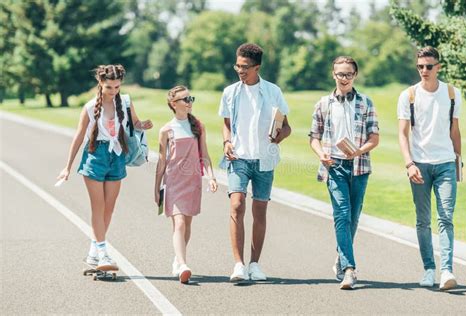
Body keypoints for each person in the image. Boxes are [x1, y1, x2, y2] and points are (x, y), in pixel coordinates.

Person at [57, 64, 153, 269]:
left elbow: (134, 123)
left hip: (117, 156)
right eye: (109, 87)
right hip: (95, 156)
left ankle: (94, 250)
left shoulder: (125, 102)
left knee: (109, 209)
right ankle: (103, 253)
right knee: (98, 207)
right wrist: (67, 167)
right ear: (100, 83)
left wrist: (143, 124)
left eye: (117, 87)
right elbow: (79, 136)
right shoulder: (90, 107)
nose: (114, 91)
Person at [218, 43, 291, 282]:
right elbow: (226, 124)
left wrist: (278, 136)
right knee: (237, 205)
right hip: (238, 157)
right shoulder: (230, 92)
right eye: (237, 65)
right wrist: (227, 142)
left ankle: (255, 264)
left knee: (260, 211)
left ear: (257, 67)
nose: (240, 70)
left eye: (245, 67)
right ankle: (238, 265)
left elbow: (286, 127)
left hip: (264, 159)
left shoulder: (273, 92)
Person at [309, 56, 379, 290]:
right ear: (333, 75)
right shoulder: (323, 104)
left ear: (355, 76)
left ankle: (341, 256)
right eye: (340, 74)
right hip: (334, 166)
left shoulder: (366, 103)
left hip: (359, 167)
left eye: (349, 74)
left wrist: (359, 150)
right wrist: (321, 154)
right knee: (342, 215)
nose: (344, 78)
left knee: (353, 218)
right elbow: (314, 137)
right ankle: (350, 269)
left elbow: (374, 137)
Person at [397, 46, 462, 290]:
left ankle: (446, 270)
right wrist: (409, 163)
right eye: (420, 66)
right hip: (419, 165)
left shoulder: (452, 93)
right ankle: (429, 269)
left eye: (429, 66)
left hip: (445, 163)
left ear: (439, 67)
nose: (424, 71)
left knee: (446, 217)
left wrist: (458, 161)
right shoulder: (408, 95)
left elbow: (455, 130)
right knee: (423, 220)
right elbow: (403, 134)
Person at [154, 85, 218, 284]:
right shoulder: (165, 130)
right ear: (174, 104)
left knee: (187, 224)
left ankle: (178, 258)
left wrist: (211, 177)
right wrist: (156, 187)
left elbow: (204, 155)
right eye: (185, 99)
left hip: (193, 181)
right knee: (179, 223)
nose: (189, 102)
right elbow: (162, 161)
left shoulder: (198, 126)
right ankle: (182, 264)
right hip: (173, 181)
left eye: (191, 98)